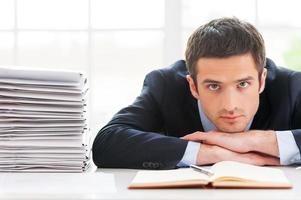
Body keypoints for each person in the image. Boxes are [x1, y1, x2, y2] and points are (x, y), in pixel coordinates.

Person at [92, 17, 301, 169]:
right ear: (192, 85)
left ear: (262, 80)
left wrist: (253, 141)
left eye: (243, 84)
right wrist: (212, 153)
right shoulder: (165, 85)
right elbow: (107, 142)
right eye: (213, 86)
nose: (230, 105)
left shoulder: (291, 86)